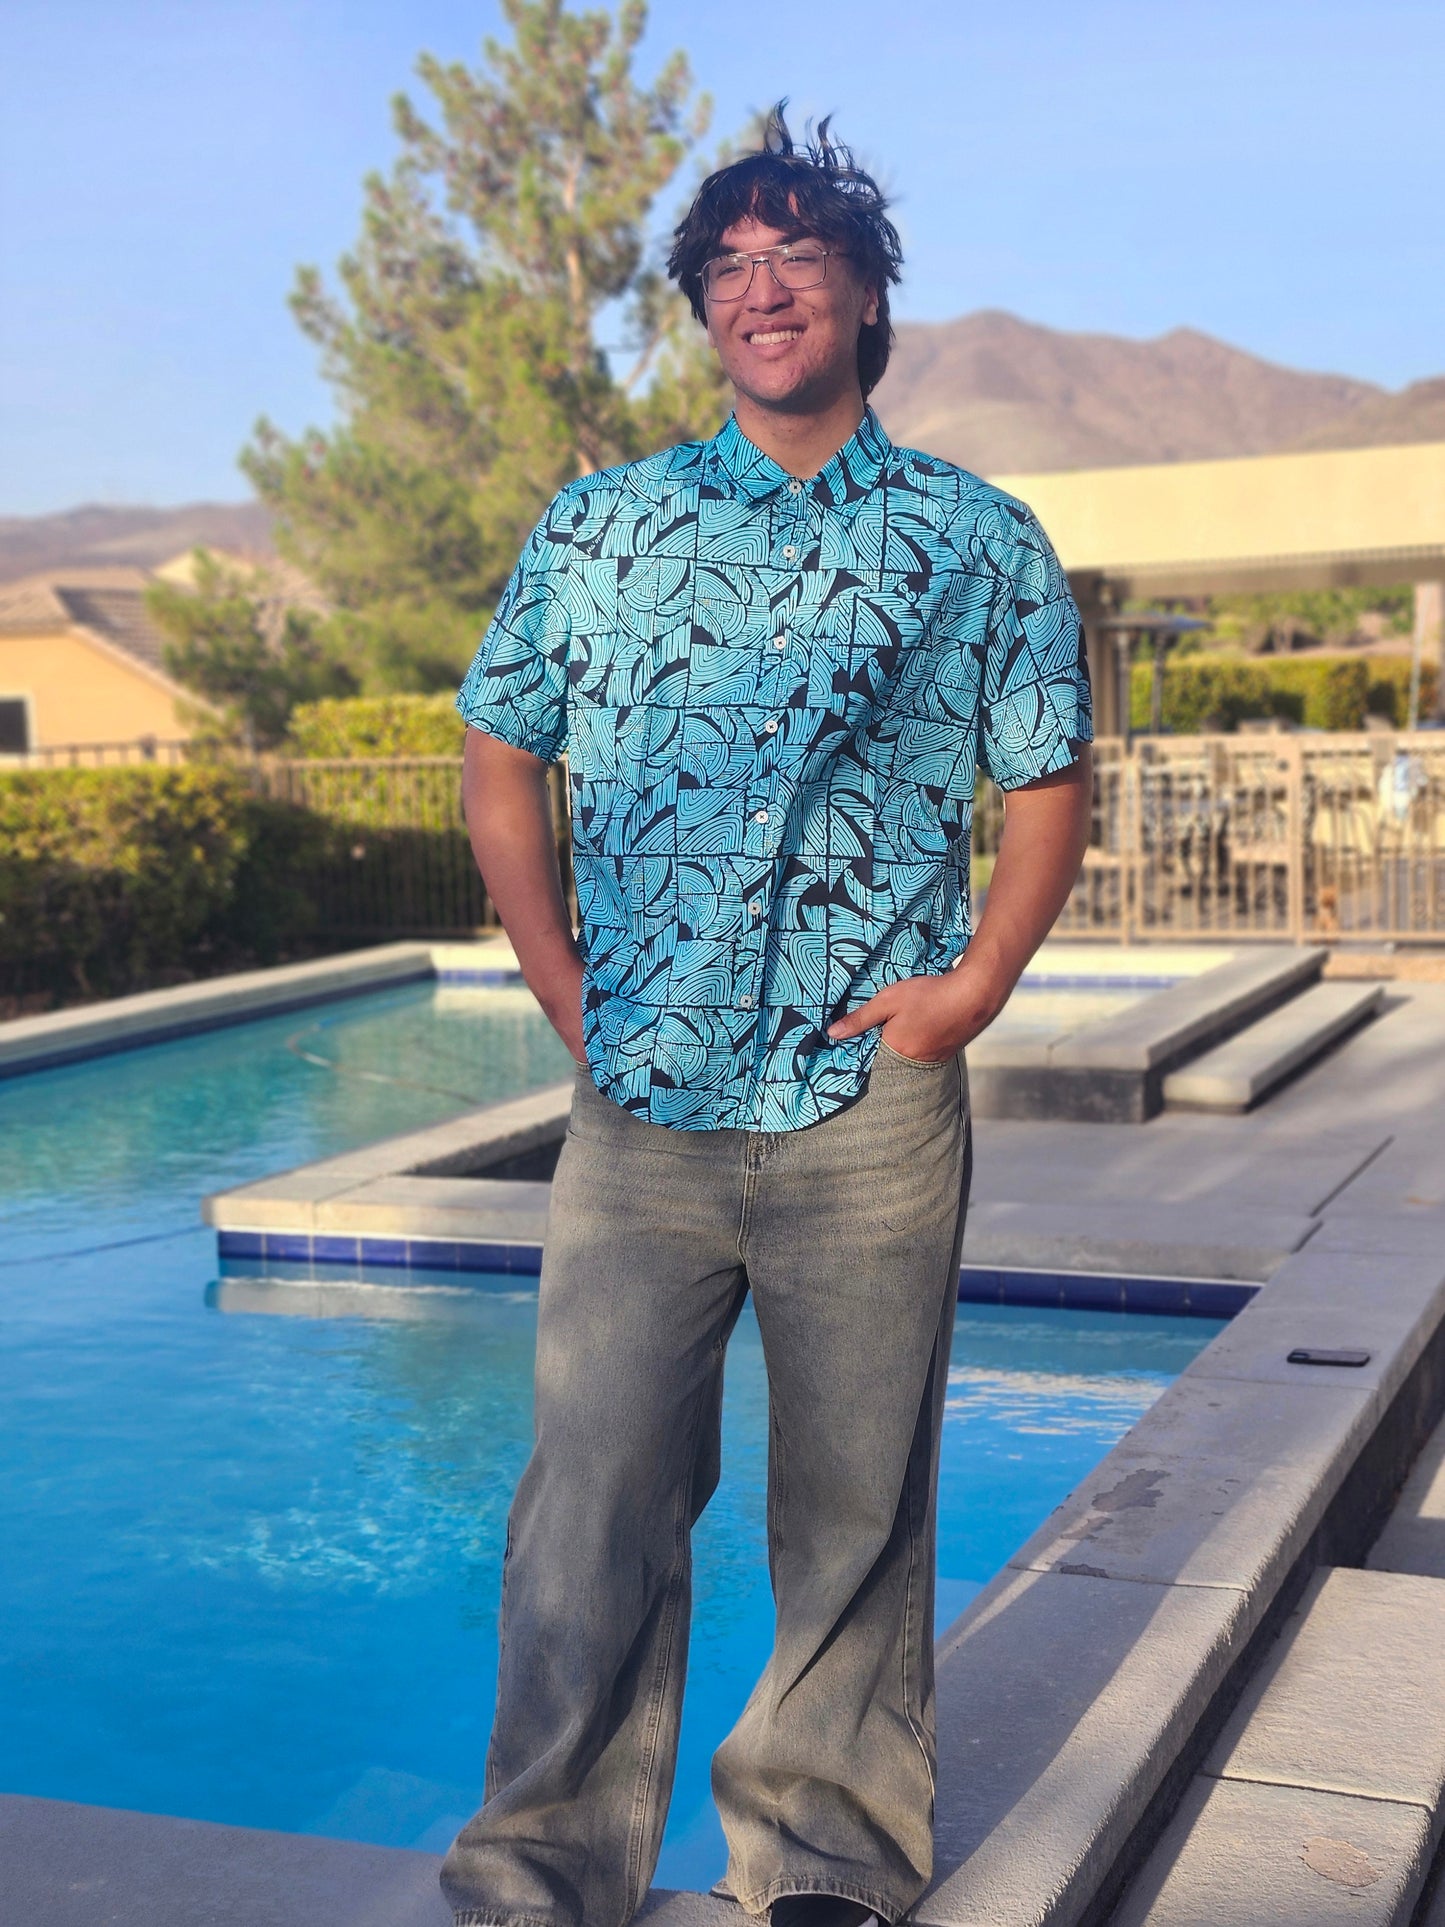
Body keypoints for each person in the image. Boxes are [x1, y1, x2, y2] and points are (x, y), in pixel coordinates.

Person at [442, 108, 1093, 1927]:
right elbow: (499, 750)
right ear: (703, 312)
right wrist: (558, 979)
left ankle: (824, 1858)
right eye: (726, 265)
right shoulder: (602, 526)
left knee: (852, 1504)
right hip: (641, 1101)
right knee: (588, 1500)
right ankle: (539, 1866)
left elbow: (1045, 779)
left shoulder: (972, 538)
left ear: (868, 296)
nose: (760, 286)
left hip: (866, 1103)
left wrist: (973, 989)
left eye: (797, 253)